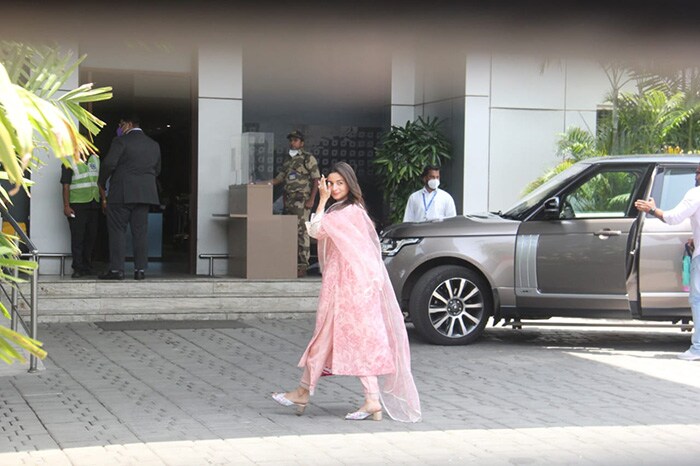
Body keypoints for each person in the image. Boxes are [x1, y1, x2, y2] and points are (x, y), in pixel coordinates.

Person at [271, 162, 421, 422]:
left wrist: (320, 201)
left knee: (353, 341)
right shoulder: (350, 210)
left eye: (340, 183)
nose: (335, 188)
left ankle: (362, 398)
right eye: (331, 183)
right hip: (349, 287)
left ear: (349, 184)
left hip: (349, 290)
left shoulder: (345, 213)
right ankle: (308, 391)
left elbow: (316, 230)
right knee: (329, 341)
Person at [635, 164, 700, 361]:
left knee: (697, 301)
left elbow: (673, 218)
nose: (695, 176)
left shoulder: (695, 194)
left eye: (698, 172)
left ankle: (698, 348)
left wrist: (652, 209)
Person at [97, 116, 161, 281]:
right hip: (145, 194)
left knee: (117, 231)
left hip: (122, 193)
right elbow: (157, 169)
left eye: (121, 124)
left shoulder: (121, 141)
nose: (119, 128)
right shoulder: (154, 145)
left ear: (129, 124)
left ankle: (117, 270)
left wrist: (101, 183)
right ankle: (140, 270)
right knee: (140, 232)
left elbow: (109, 164)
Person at [259, 130, 320, 277]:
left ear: (302, 143)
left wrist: (311, 200)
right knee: (288, 232)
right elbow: (279, 179)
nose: (292, 143)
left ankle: (302, 265)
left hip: (302, 201)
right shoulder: (287, 160)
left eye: (296, 140)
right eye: (291, 140)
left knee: (302, 232)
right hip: (289, 201)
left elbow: (316, 179)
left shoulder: (307, 158)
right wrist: (262, 184)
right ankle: (289, 263)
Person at [60, 153, 101, 278]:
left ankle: (87, 266)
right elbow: (65, 185)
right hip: (77, 204)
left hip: (94, 202)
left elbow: (99, 181)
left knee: (91, 236)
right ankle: (77, 267)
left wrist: (104, 200)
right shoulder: (68, 160)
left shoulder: (95, 158)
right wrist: (66, 206)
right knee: (78, 237)